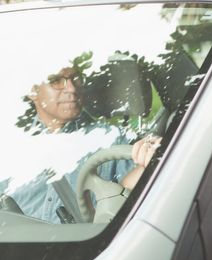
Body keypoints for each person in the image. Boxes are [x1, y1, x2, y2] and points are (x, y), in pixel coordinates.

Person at [2, 66, 155, 223]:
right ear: (33, 91)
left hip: (87, 244)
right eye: (56, 81)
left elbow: (128, 193)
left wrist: (148, 162)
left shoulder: (110, 138)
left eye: (76, 79)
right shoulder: (11, 145)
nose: (72, 88)